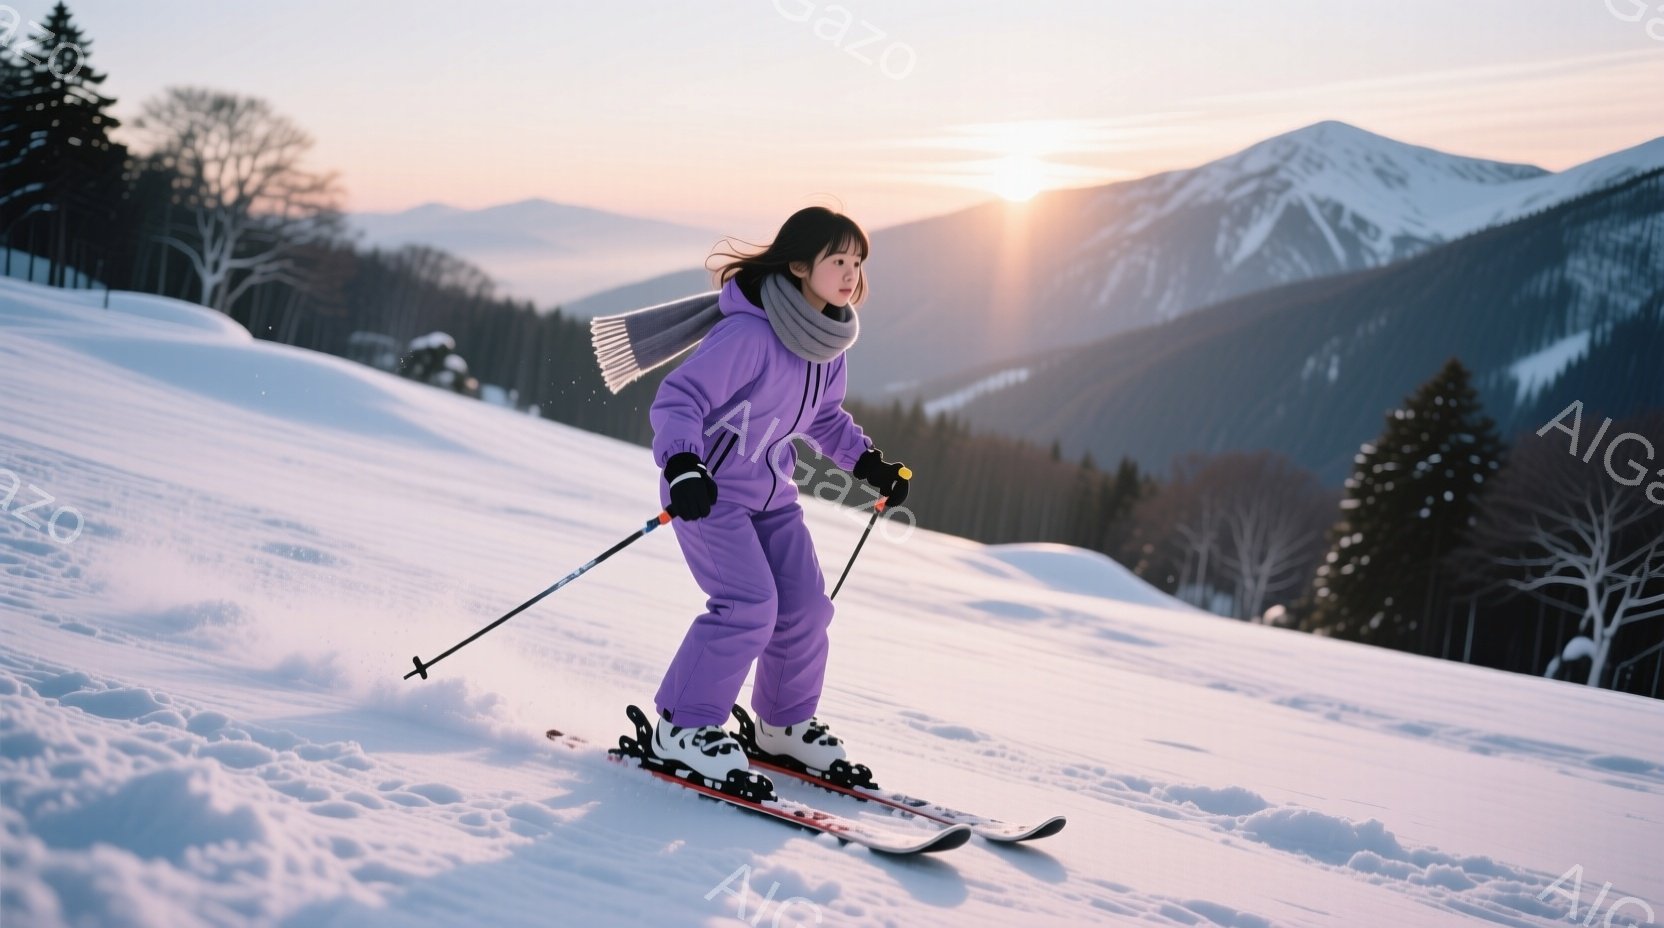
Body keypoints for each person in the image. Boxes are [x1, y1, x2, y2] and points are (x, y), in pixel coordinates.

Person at [589, 206, 912, 785]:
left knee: (807, 607)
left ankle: (781, 727)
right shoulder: (750, 333)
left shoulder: (827, 344)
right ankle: (683, 726)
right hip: (708, 493)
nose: (851, 274)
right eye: (837, 260)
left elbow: (825, 418)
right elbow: (677, 399)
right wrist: (684, 464)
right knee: (748, 604)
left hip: (772, 496)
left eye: (857, 262)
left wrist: (867, 463)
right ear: (796, 266)